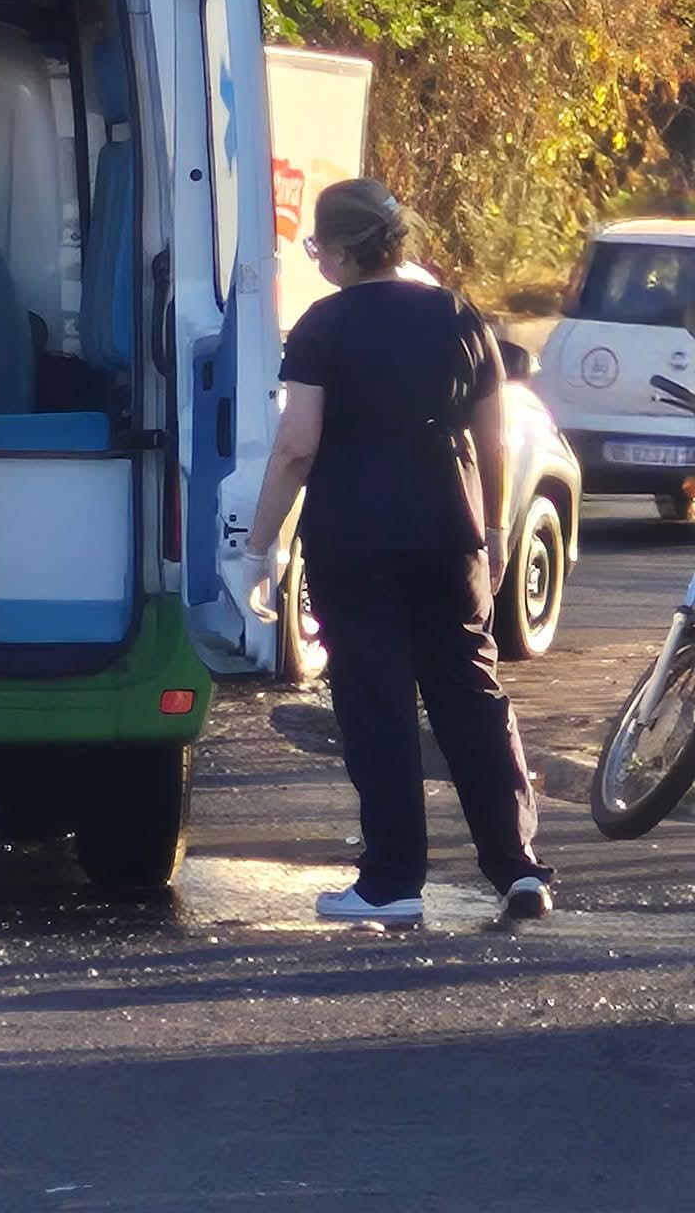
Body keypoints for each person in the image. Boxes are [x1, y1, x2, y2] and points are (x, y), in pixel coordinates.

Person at [238, 177, 554, 926]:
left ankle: (391, 881)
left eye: (318, 247)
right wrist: (498, 532)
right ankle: (518, 873)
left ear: (343, 251)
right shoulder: (454, 313)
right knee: (473, 696)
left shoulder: (323, 326)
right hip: (452, 531)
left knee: (376, 703)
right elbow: (493, 435)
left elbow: (295, 448)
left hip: (357, 539)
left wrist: (258, 550)